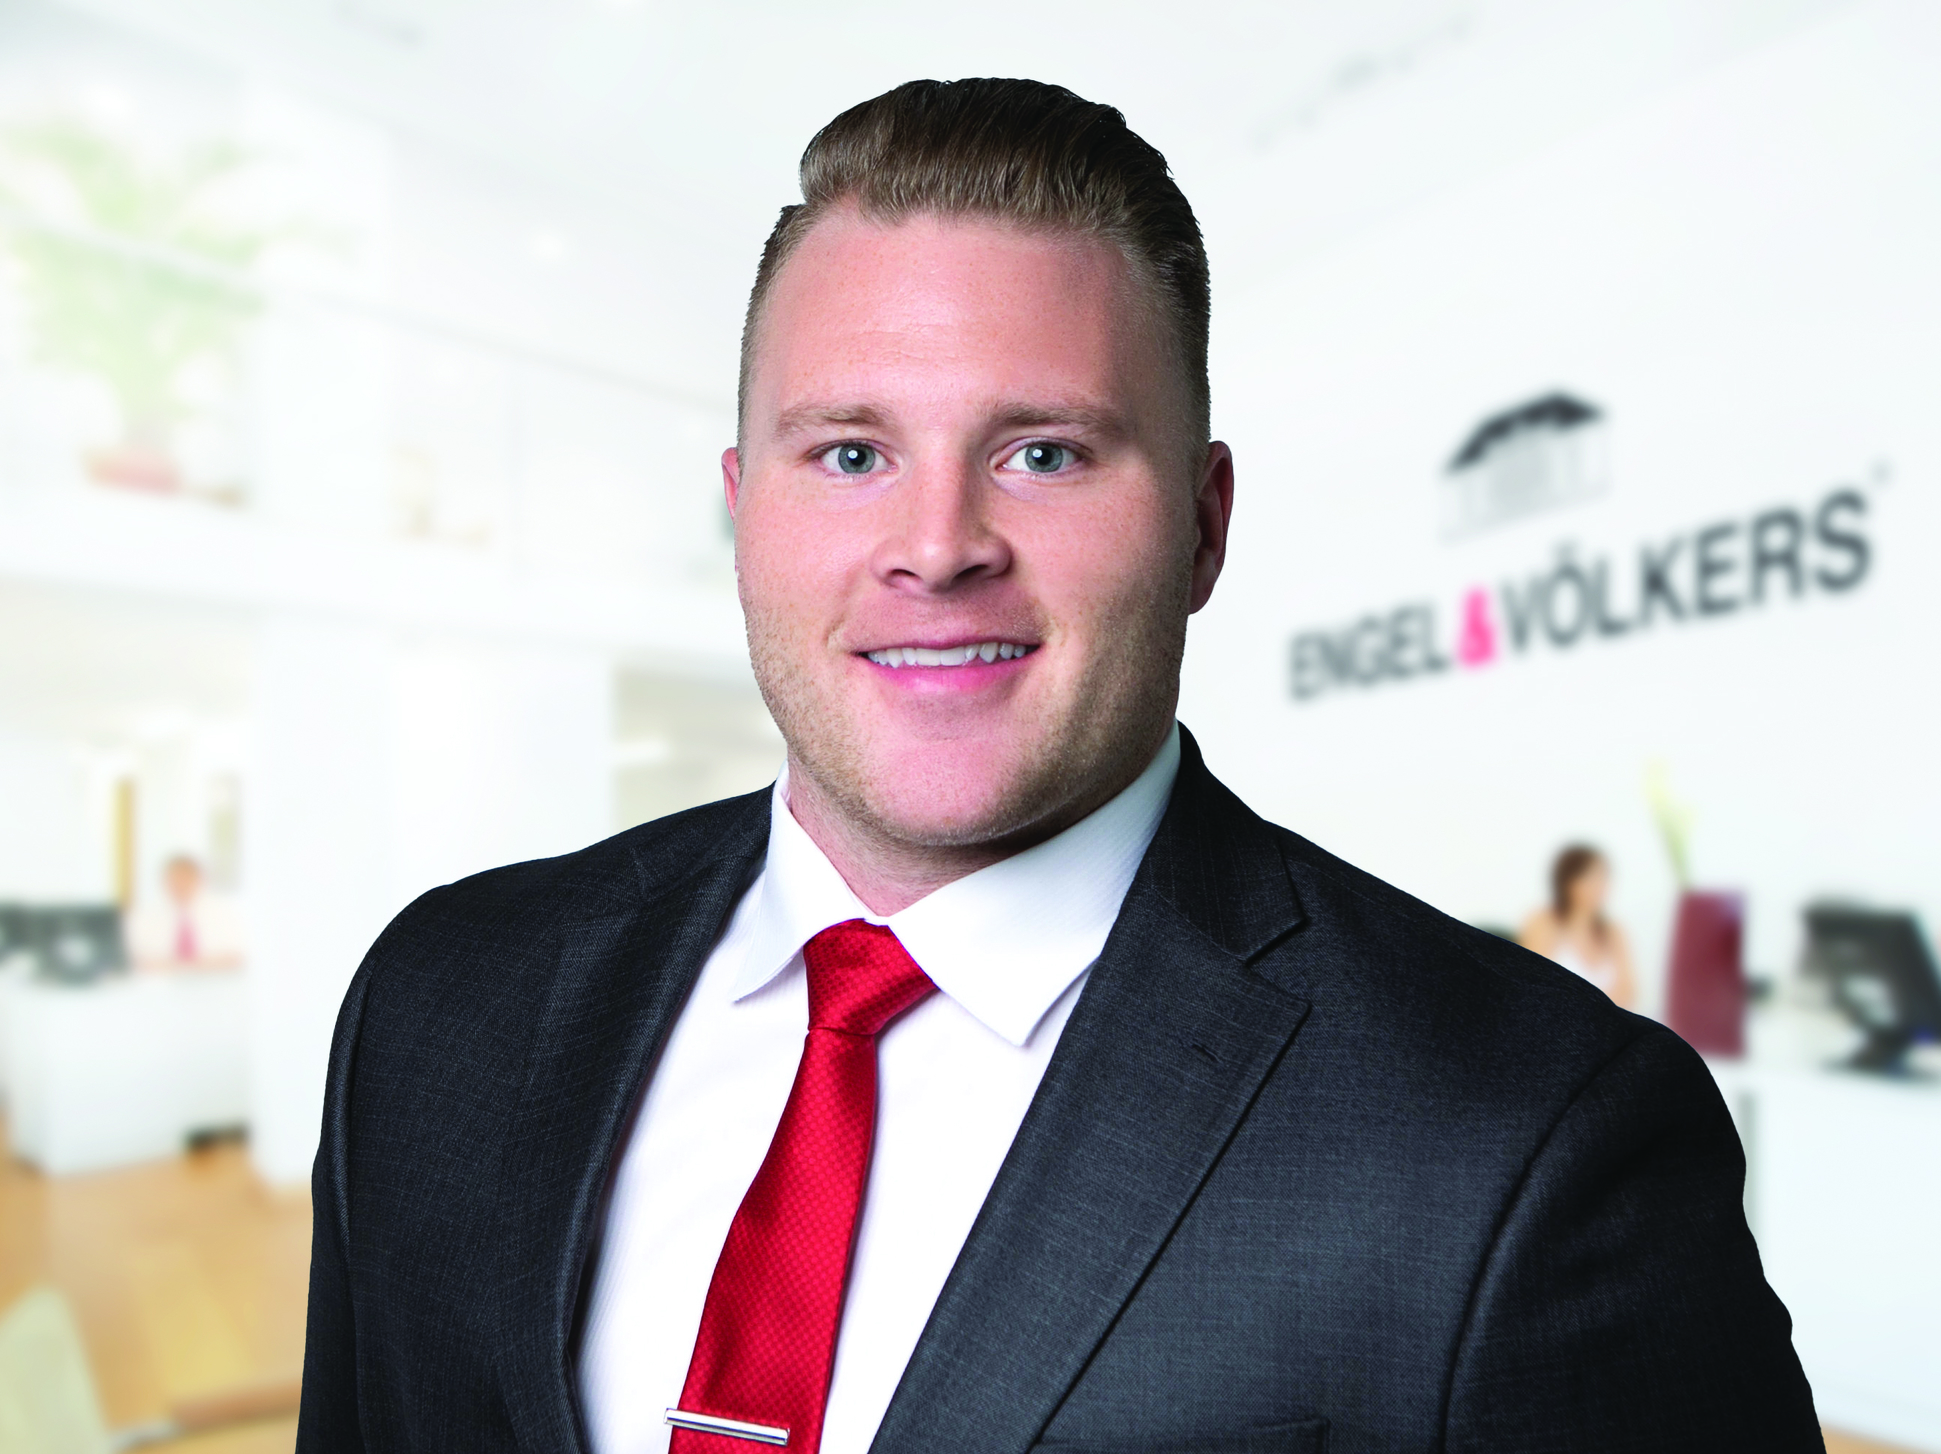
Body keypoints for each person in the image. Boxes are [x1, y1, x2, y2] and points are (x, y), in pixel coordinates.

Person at [298, 80, 1820, 1453]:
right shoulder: (441, 1000)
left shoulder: (1528, 1136)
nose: (937, 546)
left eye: (1044, 452)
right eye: (850, 453)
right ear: (743, 508)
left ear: (1203, 528)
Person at [1518, 844, 1637, 1009]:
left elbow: (1628, 991)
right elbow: (1533, 985)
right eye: (1591, 877)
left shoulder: (1614, 931)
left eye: (1603, 877)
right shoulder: (1543, 922)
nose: (1600, 886)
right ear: (1569, 882)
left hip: (1605, 1022)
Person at [126, 853, 244, 971]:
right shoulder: (146, 917)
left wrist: (184, 966)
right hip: (162, 981)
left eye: (186, 879)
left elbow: (234, 958)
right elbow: (138, 960)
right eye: (174, 880)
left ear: (199, 880)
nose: (180, 885)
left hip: (214, 980)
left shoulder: (223, 914)